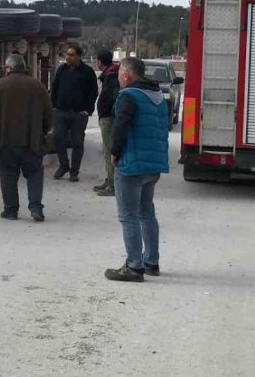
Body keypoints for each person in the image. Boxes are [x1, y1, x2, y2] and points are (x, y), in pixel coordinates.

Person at [105, 57, 170, 283]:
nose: (119, 77)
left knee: (128, 216)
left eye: (120, 73)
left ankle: (134, 266)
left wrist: (114, 152)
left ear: (126, 75)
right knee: (147, 213)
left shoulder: (128, 96)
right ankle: (151, 261)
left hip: (131, 165)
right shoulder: (158, 97)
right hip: (153, 164)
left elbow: (120, 126)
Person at [0, 54, 53, 222]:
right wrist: (42, 133)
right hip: (31, 140)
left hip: (4, 141)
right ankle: (36, 208)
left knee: (8, 175)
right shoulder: (38, 86)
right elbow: (48, 114)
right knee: (35, 174)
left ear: (8, 68)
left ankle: (10, 210)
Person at [50, 44, 98, 182]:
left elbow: (93, 92)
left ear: (78, 56)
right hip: (61, 111)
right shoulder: (62, 69)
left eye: (71, 55)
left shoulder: (87, 72)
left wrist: (87, 109)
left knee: (77, 142)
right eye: (67, 54)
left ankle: (74, 171)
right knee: (57, 137)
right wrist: (54, 105)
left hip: (79, 114)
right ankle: (64, 165)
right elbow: (55, 88)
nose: (68, 57)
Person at [94, 50, 120, 197]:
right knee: (106, 150)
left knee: (109, 151)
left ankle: (113, 185)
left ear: (99, 61)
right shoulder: (111, 74)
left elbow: (113, 97)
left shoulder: (111, 76)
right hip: (108, 117)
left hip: (109, 118)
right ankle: (109, 179)